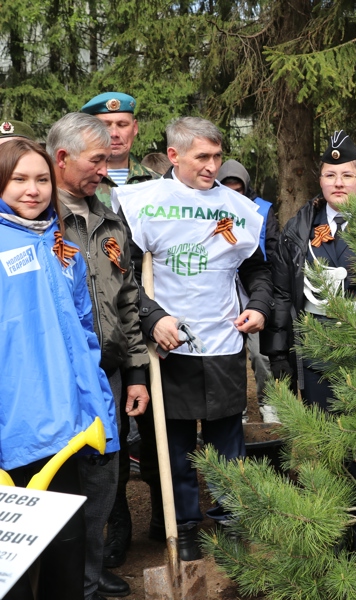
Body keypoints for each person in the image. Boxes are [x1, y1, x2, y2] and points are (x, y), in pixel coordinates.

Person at [117, 116, 273, 561]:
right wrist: (153, 318)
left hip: (223, 344)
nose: (211, 166)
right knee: (177, 447)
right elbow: (124, 276)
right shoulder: (141, 202)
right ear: (173, 156)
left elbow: (256, 269)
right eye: (201, 157)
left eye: (217, 156)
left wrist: (259, 306)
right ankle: (183, 527)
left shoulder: (238, 207)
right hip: (169, 348)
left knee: (227, 442)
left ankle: (231, 523)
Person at [0, 137, 118, 600]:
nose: (33, 190)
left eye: (42, 179)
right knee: (10, 569)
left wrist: (98, 413)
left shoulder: (60, 245)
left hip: (64, 433)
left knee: (66, 555)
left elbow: (84, 337)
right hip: (13, 432)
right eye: (19, 179)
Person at [49, 112, 152, 599]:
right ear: (62, 158)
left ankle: (89, 578)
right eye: (97, 161)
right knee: (58, 484)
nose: (105, 170)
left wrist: (135, 371)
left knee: (102, 482)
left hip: (107, 375)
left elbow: (127, 299)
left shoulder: (111, 218)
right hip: (55, 381)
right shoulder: (38, 220)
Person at [264, 131, 356, 549]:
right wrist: (278, 356)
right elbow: (280, 294)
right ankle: (328, 529)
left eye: (348, 175)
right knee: (321, 442)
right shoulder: (299, 228)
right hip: (314, 347)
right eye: (331, 174)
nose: (339, 183)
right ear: (321, 180)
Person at [80, 91, 161, 571]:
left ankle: (167, 516)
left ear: (135, 129)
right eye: (106, 125)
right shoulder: (84, 189)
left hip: (165, 327)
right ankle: (119, 528)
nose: (116, 132)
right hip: (116, 330)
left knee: (158, 432)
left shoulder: (158, 187)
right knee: (115, 434)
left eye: (124, 124)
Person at [219, 158, 280, 423]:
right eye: (227, 189)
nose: (233, 196)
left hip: (256, 291)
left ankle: (268, 402)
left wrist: (268, 296)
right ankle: (237, 407)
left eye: (238, 190)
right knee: (228, 355)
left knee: (258, 353)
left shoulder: (263, 210)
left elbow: (275, 252)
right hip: (222, 291)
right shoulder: (207, 209)